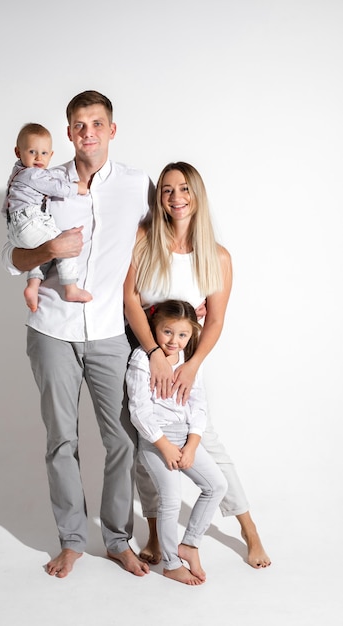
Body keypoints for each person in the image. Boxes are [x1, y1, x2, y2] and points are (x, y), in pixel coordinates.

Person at [1, 90, 153, 578]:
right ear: (69, 132)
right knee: (61, 440)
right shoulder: (41, 178)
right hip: (51, 328)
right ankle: (70, 539)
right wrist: (50, 245)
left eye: (97, 122)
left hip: (112, 331)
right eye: (79, 124)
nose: (88, 131)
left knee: (123, 440)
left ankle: (116, 538)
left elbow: (166, 241)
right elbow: (12, 256)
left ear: (112, 129)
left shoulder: (137, 185)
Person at [124, 161, 271, 569]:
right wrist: (154, 353)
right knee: (145, 447)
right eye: (167, 190)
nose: (176, 198)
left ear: (197, 195)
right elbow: (131, 299)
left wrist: (191, 366)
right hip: (145, 358)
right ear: (160, 197)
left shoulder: (217, 256)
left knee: (210, 446)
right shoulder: (144, 239)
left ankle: (248, 528)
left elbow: (217, 319)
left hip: (187, 363)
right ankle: (155, 535)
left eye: (184, 189)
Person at [126, 299, 228, 585]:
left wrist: (192, 445)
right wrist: (165, 447)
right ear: (155, 329)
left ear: (191, 334)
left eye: (182, 335)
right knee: (170, 500)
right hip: (156, 441)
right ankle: (171, 563)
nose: (175, 341)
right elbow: (139, 411)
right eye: (167, 332)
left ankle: (189, 544)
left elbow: (199, 406)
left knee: (216, 485)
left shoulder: (189, 360)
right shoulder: (141, 359)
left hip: (185, 437)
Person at [2, 122, 92, 311]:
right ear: (18, 152)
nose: (38, 158)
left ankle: (33, 287)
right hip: (30, 221)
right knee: (63, 245)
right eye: (32, 152)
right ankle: (71, 287)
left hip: (17, 227)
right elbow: (56, 187)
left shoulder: (16, 174)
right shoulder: (33, 174)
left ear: (51, 155)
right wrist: (78, 187)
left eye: (44, 153)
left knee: (42, 252)